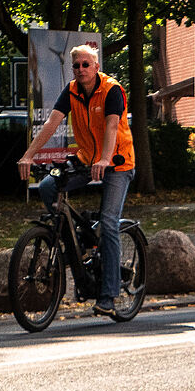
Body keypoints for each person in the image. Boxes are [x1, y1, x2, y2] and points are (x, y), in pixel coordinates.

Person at [16, 44, 136, 319]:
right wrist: (27, 156)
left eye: (85, 64)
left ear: (96, 66)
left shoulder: (111, 89)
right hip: (85, 159)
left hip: (117, 161)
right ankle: (80, 241)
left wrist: (105, 160)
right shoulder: (71, 91)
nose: (80, 69)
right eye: (76, 66)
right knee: (48, 186)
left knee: (108, 222)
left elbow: (111, 125)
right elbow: (51, 123)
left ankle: (108, 296)